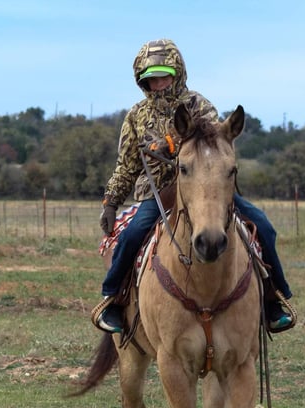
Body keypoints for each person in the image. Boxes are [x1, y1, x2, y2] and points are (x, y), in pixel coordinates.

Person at [94, 38, 294, 334]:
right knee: (133, 234)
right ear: (142, 81)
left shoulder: (199, 105)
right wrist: (111, 202)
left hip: (206, 190)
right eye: (151, 79)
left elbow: (214, 137)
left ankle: (273, 299)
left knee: (263, 225)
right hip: (158, 195)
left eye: (163, 76)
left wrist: (172, 143)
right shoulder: (136, 116)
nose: (158, 83)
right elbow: (126, 166)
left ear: (177, 73)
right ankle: (113, 299)